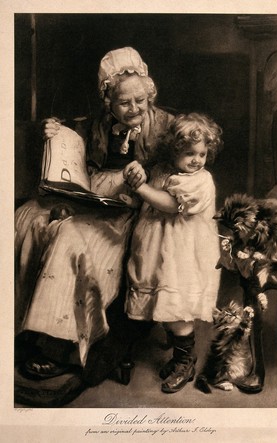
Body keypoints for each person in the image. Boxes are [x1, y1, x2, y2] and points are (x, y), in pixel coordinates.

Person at [15, 47, 174, 385]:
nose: (133, 109)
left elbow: (182, 171)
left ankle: (60, 344)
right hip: (93, 198)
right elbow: (74, 155)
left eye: (140, 101)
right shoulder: (99, 125)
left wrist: (144, 183)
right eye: (123, 103)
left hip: (135, 208)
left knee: (71, 237)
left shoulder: (168, 127)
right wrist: (53, 131)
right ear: (108, 101)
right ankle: (20, 327)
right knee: (29, 218)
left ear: (150, 94)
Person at [124, 113, 223, 393]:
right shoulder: (163, 171)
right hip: (161, 251)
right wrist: (138, 187)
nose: (197, 159)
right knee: (166, 309)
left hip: (184, 257)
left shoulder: (201, 182)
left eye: (202, 153)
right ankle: (181, 357)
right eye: (189, 153)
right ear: (174, 151)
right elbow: (152, 194)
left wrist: (141, 189)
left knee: (178, 310)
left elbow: (169, 203)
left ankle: (185, 361)